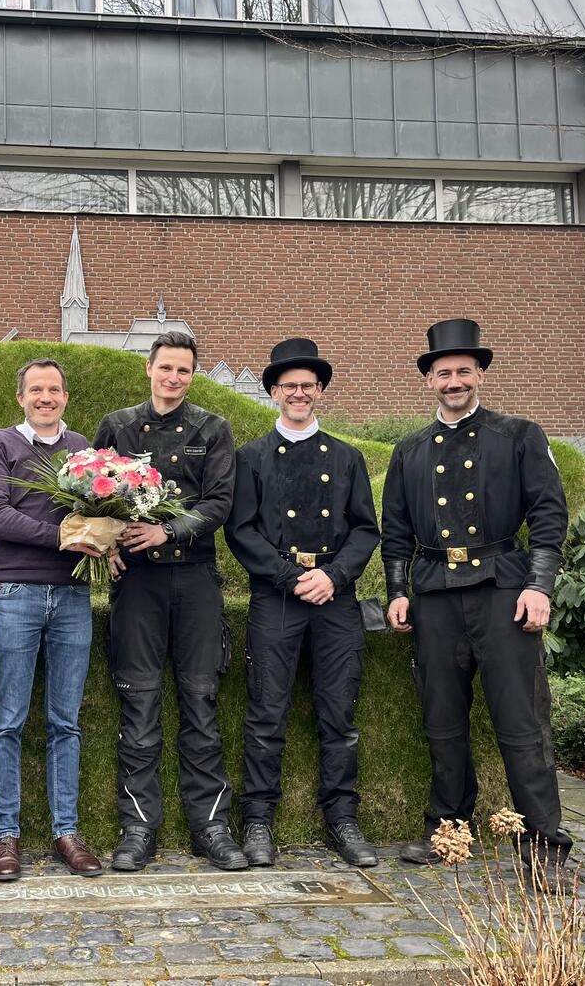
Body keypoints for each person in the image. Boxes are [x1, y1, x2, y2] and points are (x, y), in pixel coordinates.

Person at [382, 318, 571, 881]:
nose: (454, 380)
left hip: (504, 592)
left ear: (480, 374)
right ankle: (450, 829)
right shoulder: (409, 450)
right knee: (442, 722)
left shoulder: (519, 435)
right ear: (429, 380)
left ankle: (545, 845)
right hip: (437, 595)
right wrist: (398, 590)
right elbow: (394, 530)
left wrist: (539, 586)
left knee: (521, 722)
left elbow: (547, 515)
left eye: (464, 371)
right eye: (444, 372)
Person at [93, 331, 245, 872]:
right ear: (149, 369)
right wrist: (106, 545)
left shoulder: (212, 428)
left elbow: (220, 501)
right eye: (166, 368)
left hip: (195, 576)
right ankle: (138, 828)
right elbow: (94, 492)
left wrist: (169, 531)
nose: (174, 378)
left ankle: (212, 828)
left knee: (202, 700)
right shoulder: (117, 425)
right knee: (139, 703)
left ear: (192, 375)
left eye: (184, 370)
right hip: (137, 584)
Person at [225, 338, 380, 868]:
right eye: (288, 385)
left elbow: (365, 528)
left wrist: (332, 576)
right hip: (278, 597)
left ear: (320, 392)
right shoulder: (249, 457)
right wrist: (293, 577)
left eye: (307, 386)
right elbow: (241, 532)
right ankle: (259, 821)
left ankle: (342, 819)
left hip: (335, 598)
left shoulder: (346, 457)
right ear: (273, 392)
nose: (298, 393)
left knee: (339, 714)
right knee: (266, 712)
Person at [0, 357, 103, 880]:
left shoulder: (84, 452)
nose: (45, 397)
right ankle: (5, 837)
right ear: (20, 397)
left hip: (73, 598)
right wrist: (63, 537)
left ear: (65, 397)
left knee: (65, 722)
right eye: (36, 390)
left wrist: (105, 537)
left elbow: (103, 513)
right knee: (8, 721)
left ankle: (65, 833)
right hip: (16, 593)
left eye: (54, 389)